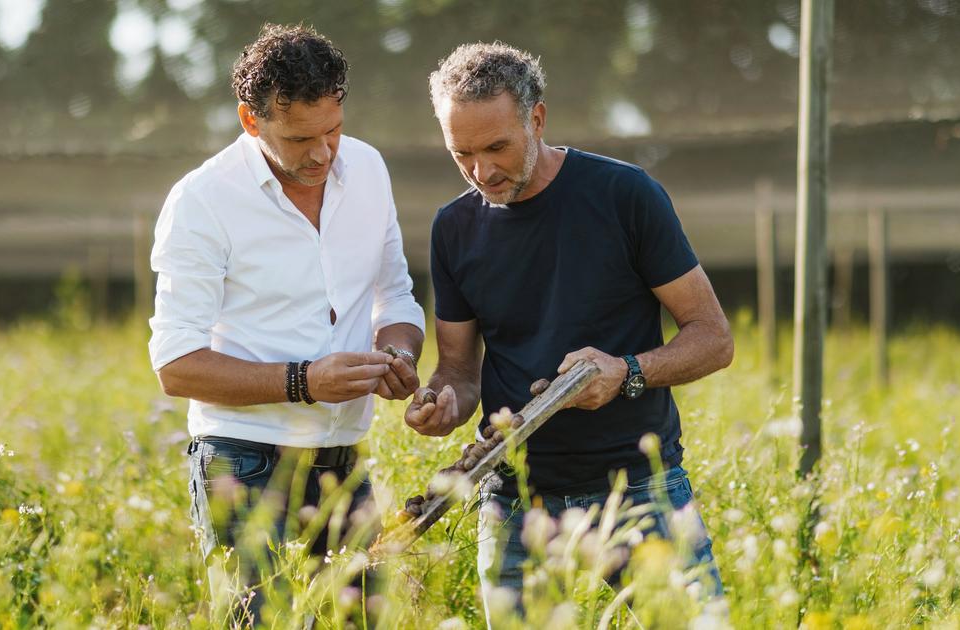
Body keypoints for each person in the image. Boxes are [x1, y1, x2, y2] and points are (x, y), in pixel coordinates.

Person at [405, 42, 733, 621]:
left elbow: (713, 337)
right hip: (512, 497)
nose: (482, 171)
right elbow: (459, 367)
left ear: (536, 118)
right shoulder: (452, 228)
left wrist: (626, 372)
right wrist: (445, 401)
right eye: (463, 153)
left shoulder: (624, 196)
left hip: (637, 489)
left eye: (498, 147)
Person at [147, 24, 425, 625]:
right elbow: (175, 365)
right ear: (251, 120)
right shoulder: (201, 200)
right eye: (301, 138)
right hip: (243, 464)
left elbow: (395, 295)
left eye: (335, 129)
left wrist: (399, 353)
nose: (324, 152)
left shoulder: (370, 170)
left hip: (343, 459)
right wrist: (303, 381)